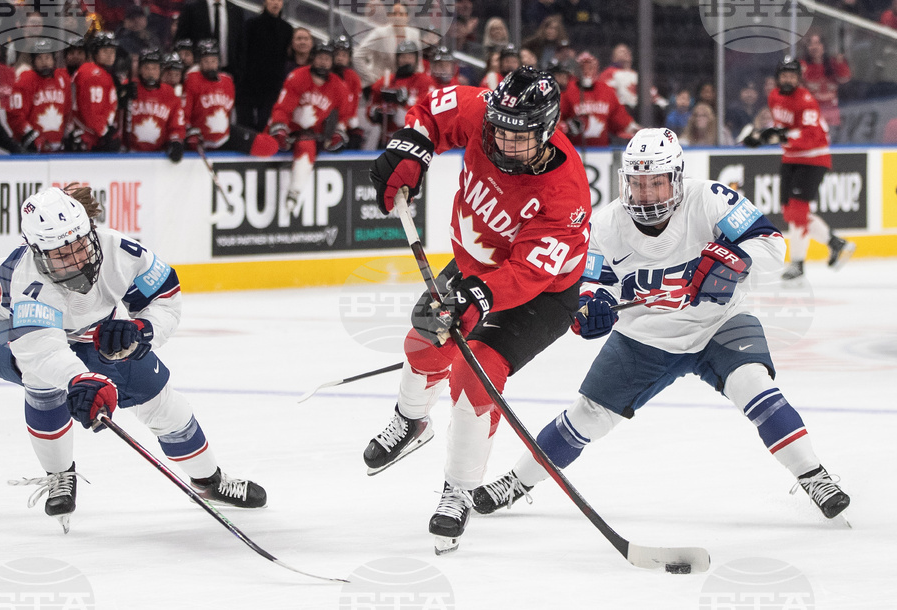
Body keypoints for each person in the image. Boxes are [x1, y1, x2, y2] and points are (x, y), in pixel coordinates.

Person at [472, 128, 851, 524]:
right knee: (586, 415)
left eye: (656, 181)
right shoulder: (604, 226)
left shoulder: (710, 198)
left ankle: (814, 476)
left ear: (676, 177)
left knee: (754, 383)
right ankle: (516, 481)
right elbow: (586, 288)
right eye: (638, 183)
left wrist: (734, 259)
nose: (647, 193)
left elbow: (772, 244)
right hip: (644, 338)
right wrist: (590, 308)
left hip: (718, 324)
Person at [364, 67, 591, 553]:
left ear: (546, 131)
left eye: (518, 137)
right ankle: (411, 419)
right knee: (423, 339)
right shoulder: (487, 113)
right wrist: (410, 149)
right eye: (500, 130)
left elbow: (528, 274)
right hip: (475, 266)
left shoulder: (564, 195)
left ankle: (458, 489)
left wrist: (474, 299)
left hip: (540, 294)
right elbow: (431, 111)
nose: (503, 142)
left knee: (474, 372)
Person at [0, 185, 267, 533]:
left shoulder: (121, 251)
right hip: (10, 330)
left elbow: (166, 297)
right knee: (43, 382)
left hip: (93, 325)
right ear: (37, 251)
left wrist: (141, 330)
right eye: (62, 254)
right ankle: (60, 474)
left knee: (160, 400)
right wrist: (80, 380)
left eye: (79, 246)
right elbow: (42, 350)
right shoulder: (28, 282)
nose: (77, 260)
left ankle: (210, 480)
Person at [743, 57, 855, 280]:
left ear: (798, 78)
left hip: (813, 159)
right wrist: (763, 136)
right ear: (777, 77)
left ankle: (798, 263)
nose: (788, 79)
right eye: (784, 75)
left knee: (798, 212)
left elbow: (812, 136)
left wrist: (780, 135)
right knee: (790, 212)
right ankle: (835, 242)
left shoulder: (806, 100)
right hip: (791, 158)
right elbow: (785, 128)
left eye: (792, 75)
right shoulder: (774, 96)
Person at [267, 41, 352, 208]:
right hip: (288, 132)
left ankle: (294, 193)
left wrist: (338, 133)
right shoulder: (298, 76)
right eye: (320, 57)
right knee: (266, 145)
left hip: (312, 137)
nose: (323, 62)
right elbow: (282, 108)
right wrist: (280, 128)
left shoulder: (338, 86)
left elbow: (343, 117)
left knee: (307, 145)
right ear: (312, 58)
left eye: (327, 59)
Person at [183, 40, 278, 156]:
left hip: (224, 135)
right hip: (199, 136)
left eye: (213, 61)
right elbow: (184, 113)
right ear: (199, 62)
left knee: (268, 146)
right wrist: (189, 131)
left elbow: (228, 113)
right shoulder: (191, 80)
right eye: (206, 61)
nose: (210, 65)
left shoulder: (227, 81)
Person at [366, 41, 436, 148]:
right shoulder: (385, 81)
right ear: (397, 59)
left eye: (410, 57)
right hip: (388, 138)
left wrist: (404, 103)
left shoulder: (425, 81)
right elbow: (371, 106)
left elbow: (426, 109)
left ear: (416, 59)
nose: (406, 61)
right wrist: (376, 112)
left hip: (414, 138)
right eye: (403, 57)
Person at [562, 51, 638, 148]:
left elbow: (621, 120)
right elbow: (557, 122)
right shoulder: (567, 91)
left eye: (590, 68)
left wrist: (636, 130)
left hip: (602, 152)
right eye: (582, 68)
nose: (586, 72)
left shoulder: (607, 91)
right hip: (574, 150)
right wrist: (566, 127)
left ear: (596, 68)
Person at [237, 0, 293, 131]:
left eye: (279, 0)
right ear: (265, 2)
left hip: (273, 84)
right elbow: (242, 51)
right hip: (249, 82)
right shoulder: (251, 25)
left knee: (265, 122)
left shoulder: (287, 29)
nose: (276, 3)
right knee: (245, 123)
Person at [7, 40, 71, 153]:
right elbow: (15, 115)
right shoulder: (25, 80)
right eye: (39, 58)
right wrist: (30, 136)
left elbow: (67, 111)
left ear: (54, 60)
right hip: (30, 148)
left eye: (47, 57)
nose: (44, 62)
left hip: (57, 146)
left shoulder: (63, 79)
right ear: (33, 61)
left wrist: (66, 135)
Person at [125, 48, 186, 162]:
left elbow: (176, 124)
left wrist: (176, 141)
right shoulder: (129, 87)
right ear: (140, 70)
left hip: (159, 156)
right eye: (146, 68)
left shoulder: (169, 93)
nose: (150, 73)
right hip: (129, 155)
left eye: (154, 68)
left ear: (160, 70)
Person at [69, 32, 120, 152]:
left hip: (90, 135)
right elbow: (91, 112)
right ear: (94, 53)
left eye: (112, 51)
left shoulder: (100, 72)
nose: (110, 55)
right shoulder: (93, 74)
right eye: (105, 51)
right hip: (89, 138)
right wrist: (105, 133)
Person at [175, 0, 246, 82]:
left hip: (229, 72)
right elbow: (181, 39)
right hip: (199, 71)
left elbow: (241, 43)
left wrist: (239, 69)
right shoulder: (192, 8)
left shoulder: (236, 11)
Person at [332, 35, 366, 149]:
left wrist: (346, 123)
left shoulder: (353, 77)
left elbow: (354, 102)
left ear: (349, 58)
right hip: (326, 122)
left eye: (344, 55)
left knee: (357, 136)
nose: (340, 58)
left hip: (345, 124)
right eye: (337, 55)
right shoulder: (326, 74)